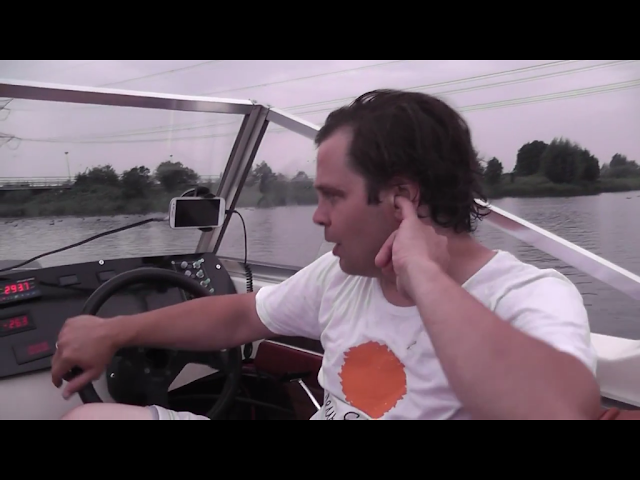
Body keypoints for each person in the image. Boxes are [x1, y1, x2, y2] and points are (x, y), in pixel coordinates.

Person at [51, 89, 601, 420]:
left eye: (332, 196)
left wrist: (423, 275)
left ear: (403, 199)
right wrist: (115, 332)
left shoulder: (527, 295)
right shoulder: (342, 276)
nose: (317, 217)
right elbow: (240, 316)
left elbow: (556, 411)